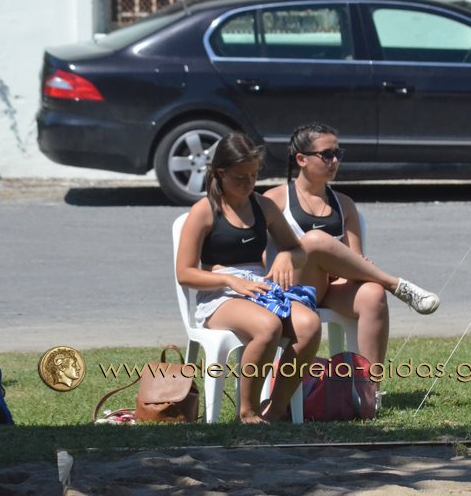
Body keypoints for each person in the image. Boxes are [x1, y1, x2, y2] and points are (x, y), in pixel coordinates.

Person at [264, 123, 439, 365]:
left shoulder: (344, 204)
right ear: (302, 159)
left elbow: (355, 260)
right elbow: (263, 258)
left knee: (373, 294)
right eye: (327, 155)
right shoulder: (275, 200)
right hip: (289, 290)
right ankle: (394, 284)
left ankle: (369, 385)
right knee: (314, 240)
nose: (335, 161)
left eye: (338, 153)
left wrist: (340, 267)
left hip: (329, 288)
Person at [176, 133, 322, 424]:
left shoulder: (263, 207)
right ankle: (248, 412)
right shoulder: (204, 211)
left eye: (254, 175)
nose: (249, 183)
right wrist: (230, 281)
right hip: (219, 295)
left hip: (259, 288)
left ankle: (276, 409)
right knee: (267, 326)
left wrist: (285, 257)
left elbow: (297, 250)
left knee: (309, 325)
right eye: (240, 177)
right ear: (220, 173)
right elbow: (185, 273)